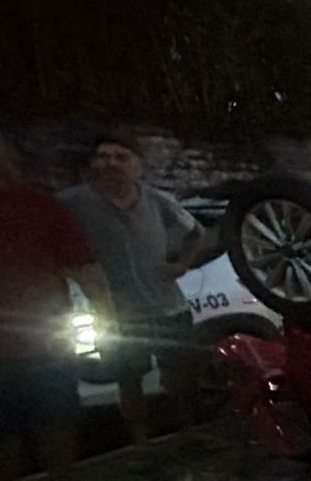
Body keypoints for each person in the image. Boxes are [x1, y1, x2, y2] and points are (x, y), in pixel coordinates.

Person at [0, 112, 114, 481]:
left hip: (43, 340)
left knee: (57, 421)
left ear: (4, 152)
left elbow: (83, 266)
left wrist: (108, 315)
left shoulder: (38, 205)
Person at [59, 137, 206, 448]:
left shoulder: (158, 200)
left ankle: (189, 434)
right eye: (104, 156)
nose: (111, 163)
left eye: (121, 157)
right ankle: (142, 444)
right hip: (116, 313)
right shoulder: (71, 203)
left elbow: (196, 233)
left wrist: (181, 265)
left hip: (167, 305)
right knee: (129, 381)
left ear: (138, 165)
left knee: (180, 375)